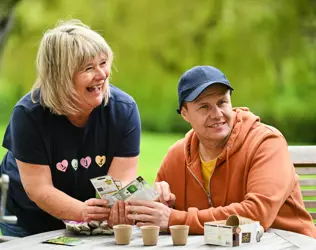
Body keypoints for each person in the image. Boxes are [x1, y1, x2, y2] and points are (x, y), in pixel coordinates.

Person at [125, 65, 316, 238]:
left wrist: (175, 219)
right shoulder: (177, 156)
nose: (217, 114)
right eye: (204, 107)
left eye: (222, 102)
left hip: (290, 244)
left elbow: (257, 213)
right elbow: (157, 215)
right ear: (185, 113)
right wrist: (159, 205)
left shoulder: (266, 143)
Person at [0, 19, 140, 236]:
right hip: (26, 219)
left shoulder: (124, 110)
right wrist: (84, 212)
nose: (102, 75)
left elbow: (117, 187)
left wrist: (114, 210)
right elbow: (39, 189)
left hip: (85, 217)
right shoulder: (28, 115)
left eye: (103, 63)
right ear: (60, 77)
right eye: (88, 68)